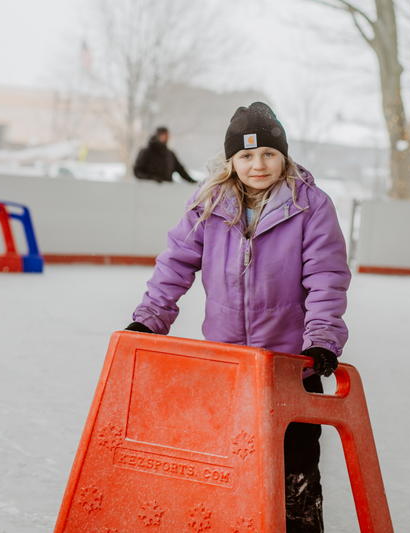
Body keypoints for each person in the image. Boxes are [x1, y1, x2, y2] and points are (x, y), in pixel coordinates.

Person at [125, 102, 351, 533]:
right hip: (228, 368)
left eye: (268, 153)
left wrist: (321, 338)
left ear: (283, 155)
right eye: (245, 156)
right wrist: (150, 319)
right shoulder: (210, 202)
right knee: (228, 465)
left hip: (291, 368)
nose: (257, 164)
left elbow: (326, 277)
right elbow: (175, 264)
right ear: (231, 160)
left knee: (295, 471)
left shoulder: (310, 207)